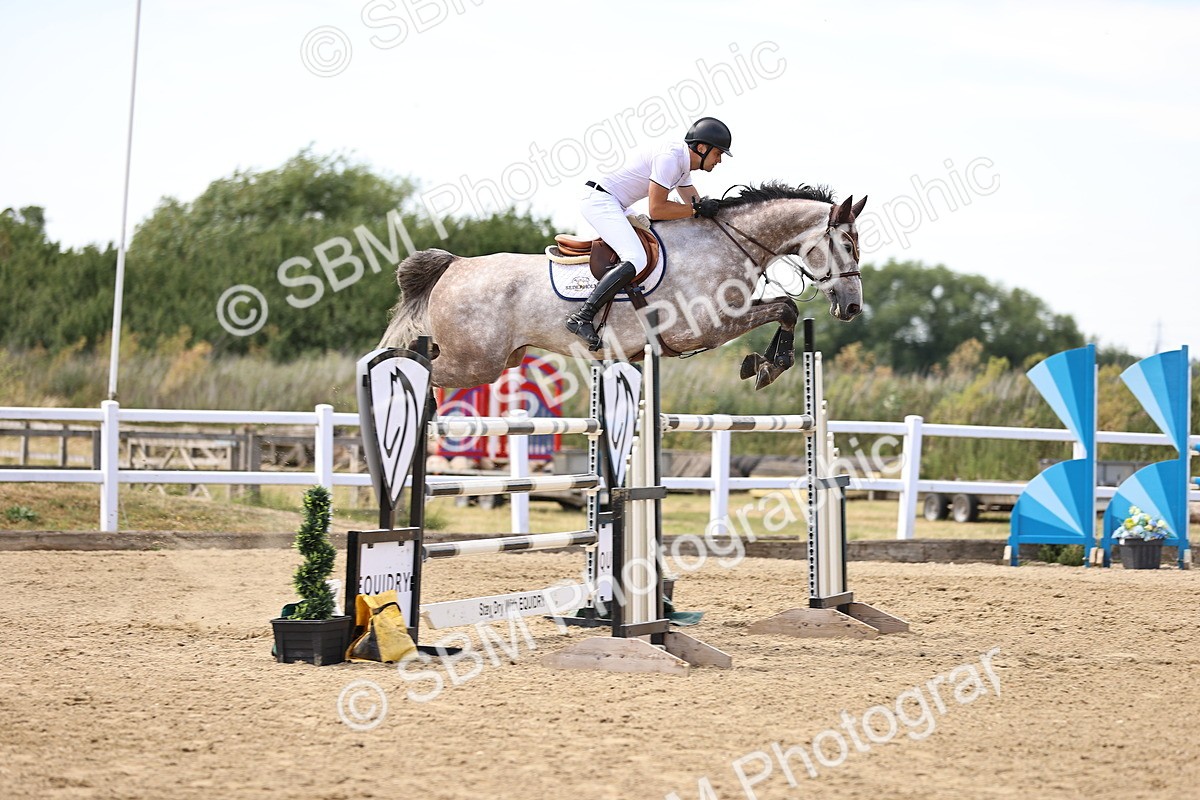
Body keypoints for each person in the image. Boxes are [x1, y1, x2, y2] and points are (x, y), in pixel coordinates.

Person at [564, 117, 732, 350]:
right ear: (702, 148)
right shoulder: (670, 159)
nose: (719, 160)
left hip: (618, 203)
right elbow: (657, 209)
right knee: (636, 258)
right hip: (599, 200)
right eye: (718, 153)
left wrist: (717, 211)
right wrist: (696, 209)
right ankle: (582, 316)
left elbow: (695, 203)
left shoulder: (683, 167)